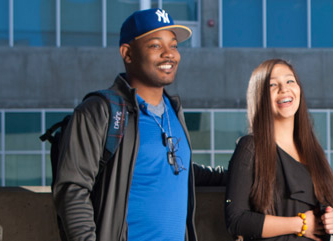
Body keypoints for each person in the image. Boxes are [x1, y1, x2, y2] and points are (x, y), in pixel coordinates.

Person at [52, 8, 226, 241]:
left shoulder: (173, 112)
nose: (169, 54)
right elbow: (72, 189)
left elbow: (173, 169)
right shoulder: (100, 111)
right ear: (128, 53)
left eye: (173, 45)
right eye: (156, 45)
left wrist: (238, 173)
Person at [225, 59, 333, 241]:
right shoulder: (250, 147)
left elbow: (327, 211)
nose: (284, 89)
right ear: (259, 96)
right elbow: (236, 220)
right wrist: (300, 224)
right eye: (272, 85)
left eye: (290, 81)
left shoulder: (313, 151)